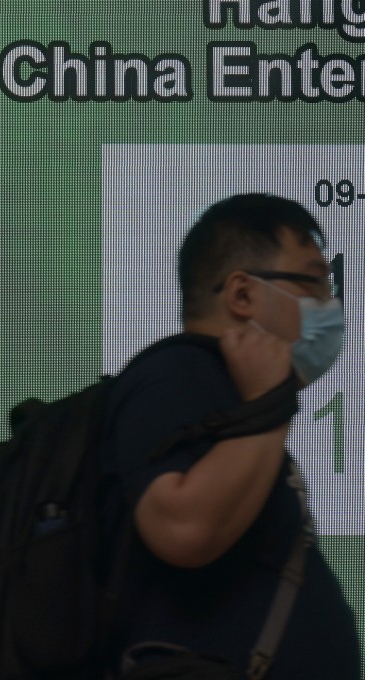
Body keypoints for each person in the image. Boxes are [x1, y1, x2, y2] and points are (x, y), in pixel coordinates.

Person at [102, 193, 361, 678]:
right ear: (242, 295)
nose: (329, 304)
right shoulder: (179, 372)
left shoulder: (226, 389)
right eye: (315, 282)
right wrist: (268, 402)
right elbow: (182, 528)